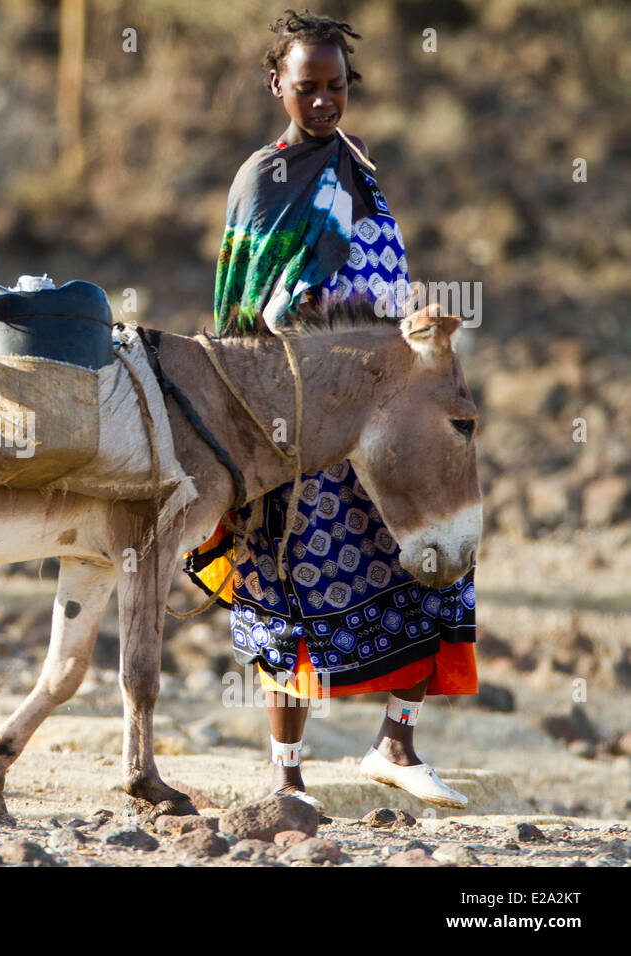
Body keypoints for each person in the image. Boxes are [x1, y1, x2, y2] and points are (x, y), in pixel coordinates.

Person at [186, 10, 477, 812]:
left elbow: (376, 280)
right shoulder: (265, 179)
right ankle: (286, 776)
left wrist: (410, 332)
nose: (322, 101)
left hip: (382, 410)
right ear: (277, 85)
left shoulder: (356, 165)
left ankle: (396, 744)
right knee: (288, 579)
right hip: (298, 416)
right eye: (306, 87)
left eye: (336, 87)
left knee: (437, 554)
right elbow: (247, 315)